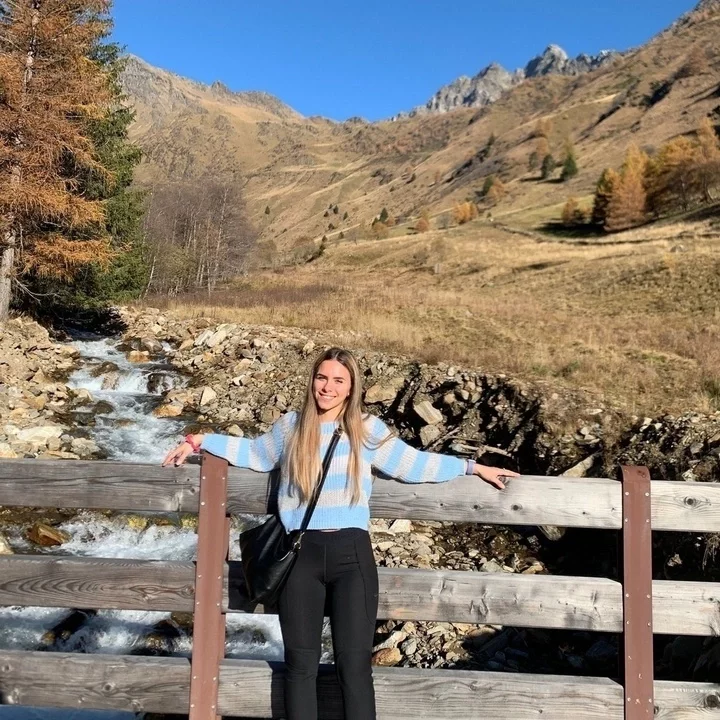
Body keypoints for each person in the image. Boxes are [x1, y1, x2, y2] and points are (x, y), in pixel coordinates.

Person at [162, 346, 518, 720]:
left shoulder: (366, 429)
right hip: (300, 558)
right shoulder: (291, 427)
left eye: (338, 380)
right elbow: (254, 453)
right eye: (322, 377)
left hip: (352, 558)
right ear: (312, 381)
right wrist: (199, 441)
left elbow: (414, 464)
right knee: (300, 667)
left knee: (355, 668)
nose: (327, 387)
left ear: (351, 388)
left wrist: (472, 467)